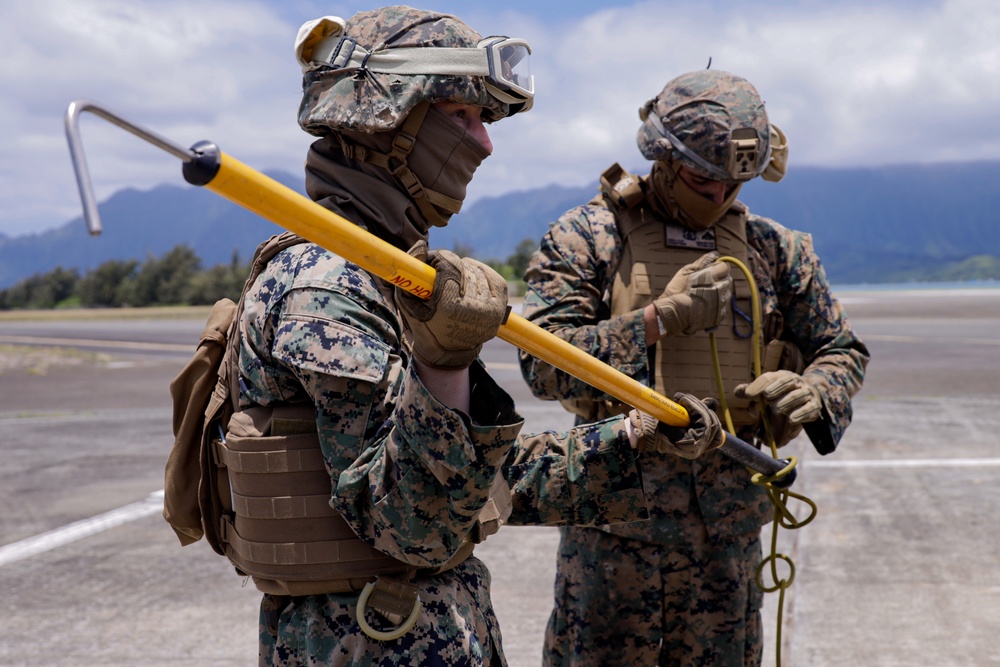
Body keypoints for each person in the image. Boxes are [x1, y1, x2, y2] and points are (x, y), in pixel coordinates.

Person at [232, 8, 722, 666]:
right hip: (370, 641)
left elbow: (480, 482)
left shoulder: (386, 275)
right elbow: (413, 527)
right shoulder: (326, 289)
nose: (485, 145)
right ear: (388, 118)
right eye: (462, 116)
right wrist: (445, 364)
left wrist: (636, 437)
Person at [518, 69, 870, 666]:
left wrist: (815, 390)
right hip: (612, 535)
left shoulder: (776, 250)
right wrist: (657, 321)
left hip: (726, 541)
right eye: (703, 179)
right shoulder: (588, 238)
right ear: (661, 156)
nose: (719, 197)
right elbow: (543, 363)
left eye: (735, 183)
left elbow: (842, 349)